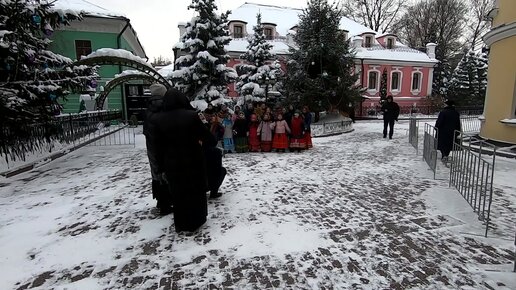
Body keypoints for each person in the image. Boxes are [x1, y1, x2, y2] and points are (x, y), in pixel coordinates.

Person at [147, 88, 217, 232]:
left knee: (178, 193)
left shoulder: (158, 119)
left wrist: (160, 168)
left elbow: (157, 147)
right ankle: (196, 221)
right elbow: (209, 139)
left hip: (171, 163)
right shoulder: (191, 116)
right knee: (195, 191)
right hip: (193, 161)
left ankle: (181, 222)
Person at [142, 83, 171, 215]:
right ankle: (165, 205)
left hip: (152, 145)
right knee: (164, 173)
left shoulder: (149, 108)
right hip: (162, 146)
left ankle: (161, 201)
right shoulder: (162, 107)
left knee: (156, 174)